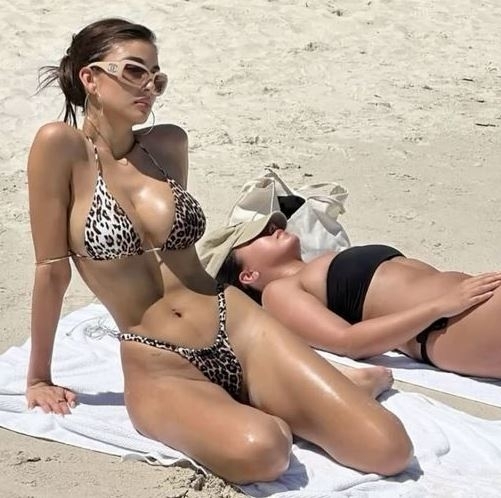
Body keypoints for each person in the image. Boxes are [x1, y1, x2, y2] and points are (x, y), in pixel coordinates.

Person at [26, 18, 413, 483]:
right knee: (265, 451)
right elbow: (51, 270)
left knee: (389, 449)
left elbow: (174, 253)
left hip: (237, 324)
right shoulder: (59, 147)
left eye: (157, 77)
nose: (149, 86)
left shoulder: (168, 144)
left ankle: (303, 391)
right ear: (90, 78)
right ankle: (291, 398)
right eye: (134, 71)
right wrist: (39, 377)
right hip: (159, 358)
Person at [199, 211, 501, 379]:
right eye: (258, 236)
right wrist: (439, 307)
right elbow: (348, 342)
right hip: (445, 325)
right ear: (248, 275)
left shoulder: (318, 264)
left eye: (271, 226)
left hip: (467, 307)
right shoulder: (279, 293)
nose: (273, 228)